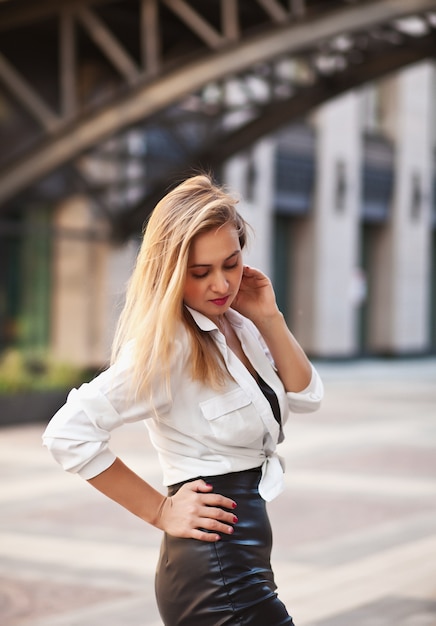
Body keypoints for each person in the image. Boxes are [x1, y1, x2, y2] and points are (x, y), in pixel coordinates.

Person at [43, 174, 323, 626]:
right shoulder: (170, 344)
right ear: (171, 272)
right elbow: (67, 433)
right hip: (214, 574)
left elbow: (307, 395)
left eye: (231, 264)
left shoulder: (242, 325)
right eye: (200, 272)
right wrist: (160, 510)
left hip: (246, 560)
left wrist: (269, 316)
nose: (221, 285)